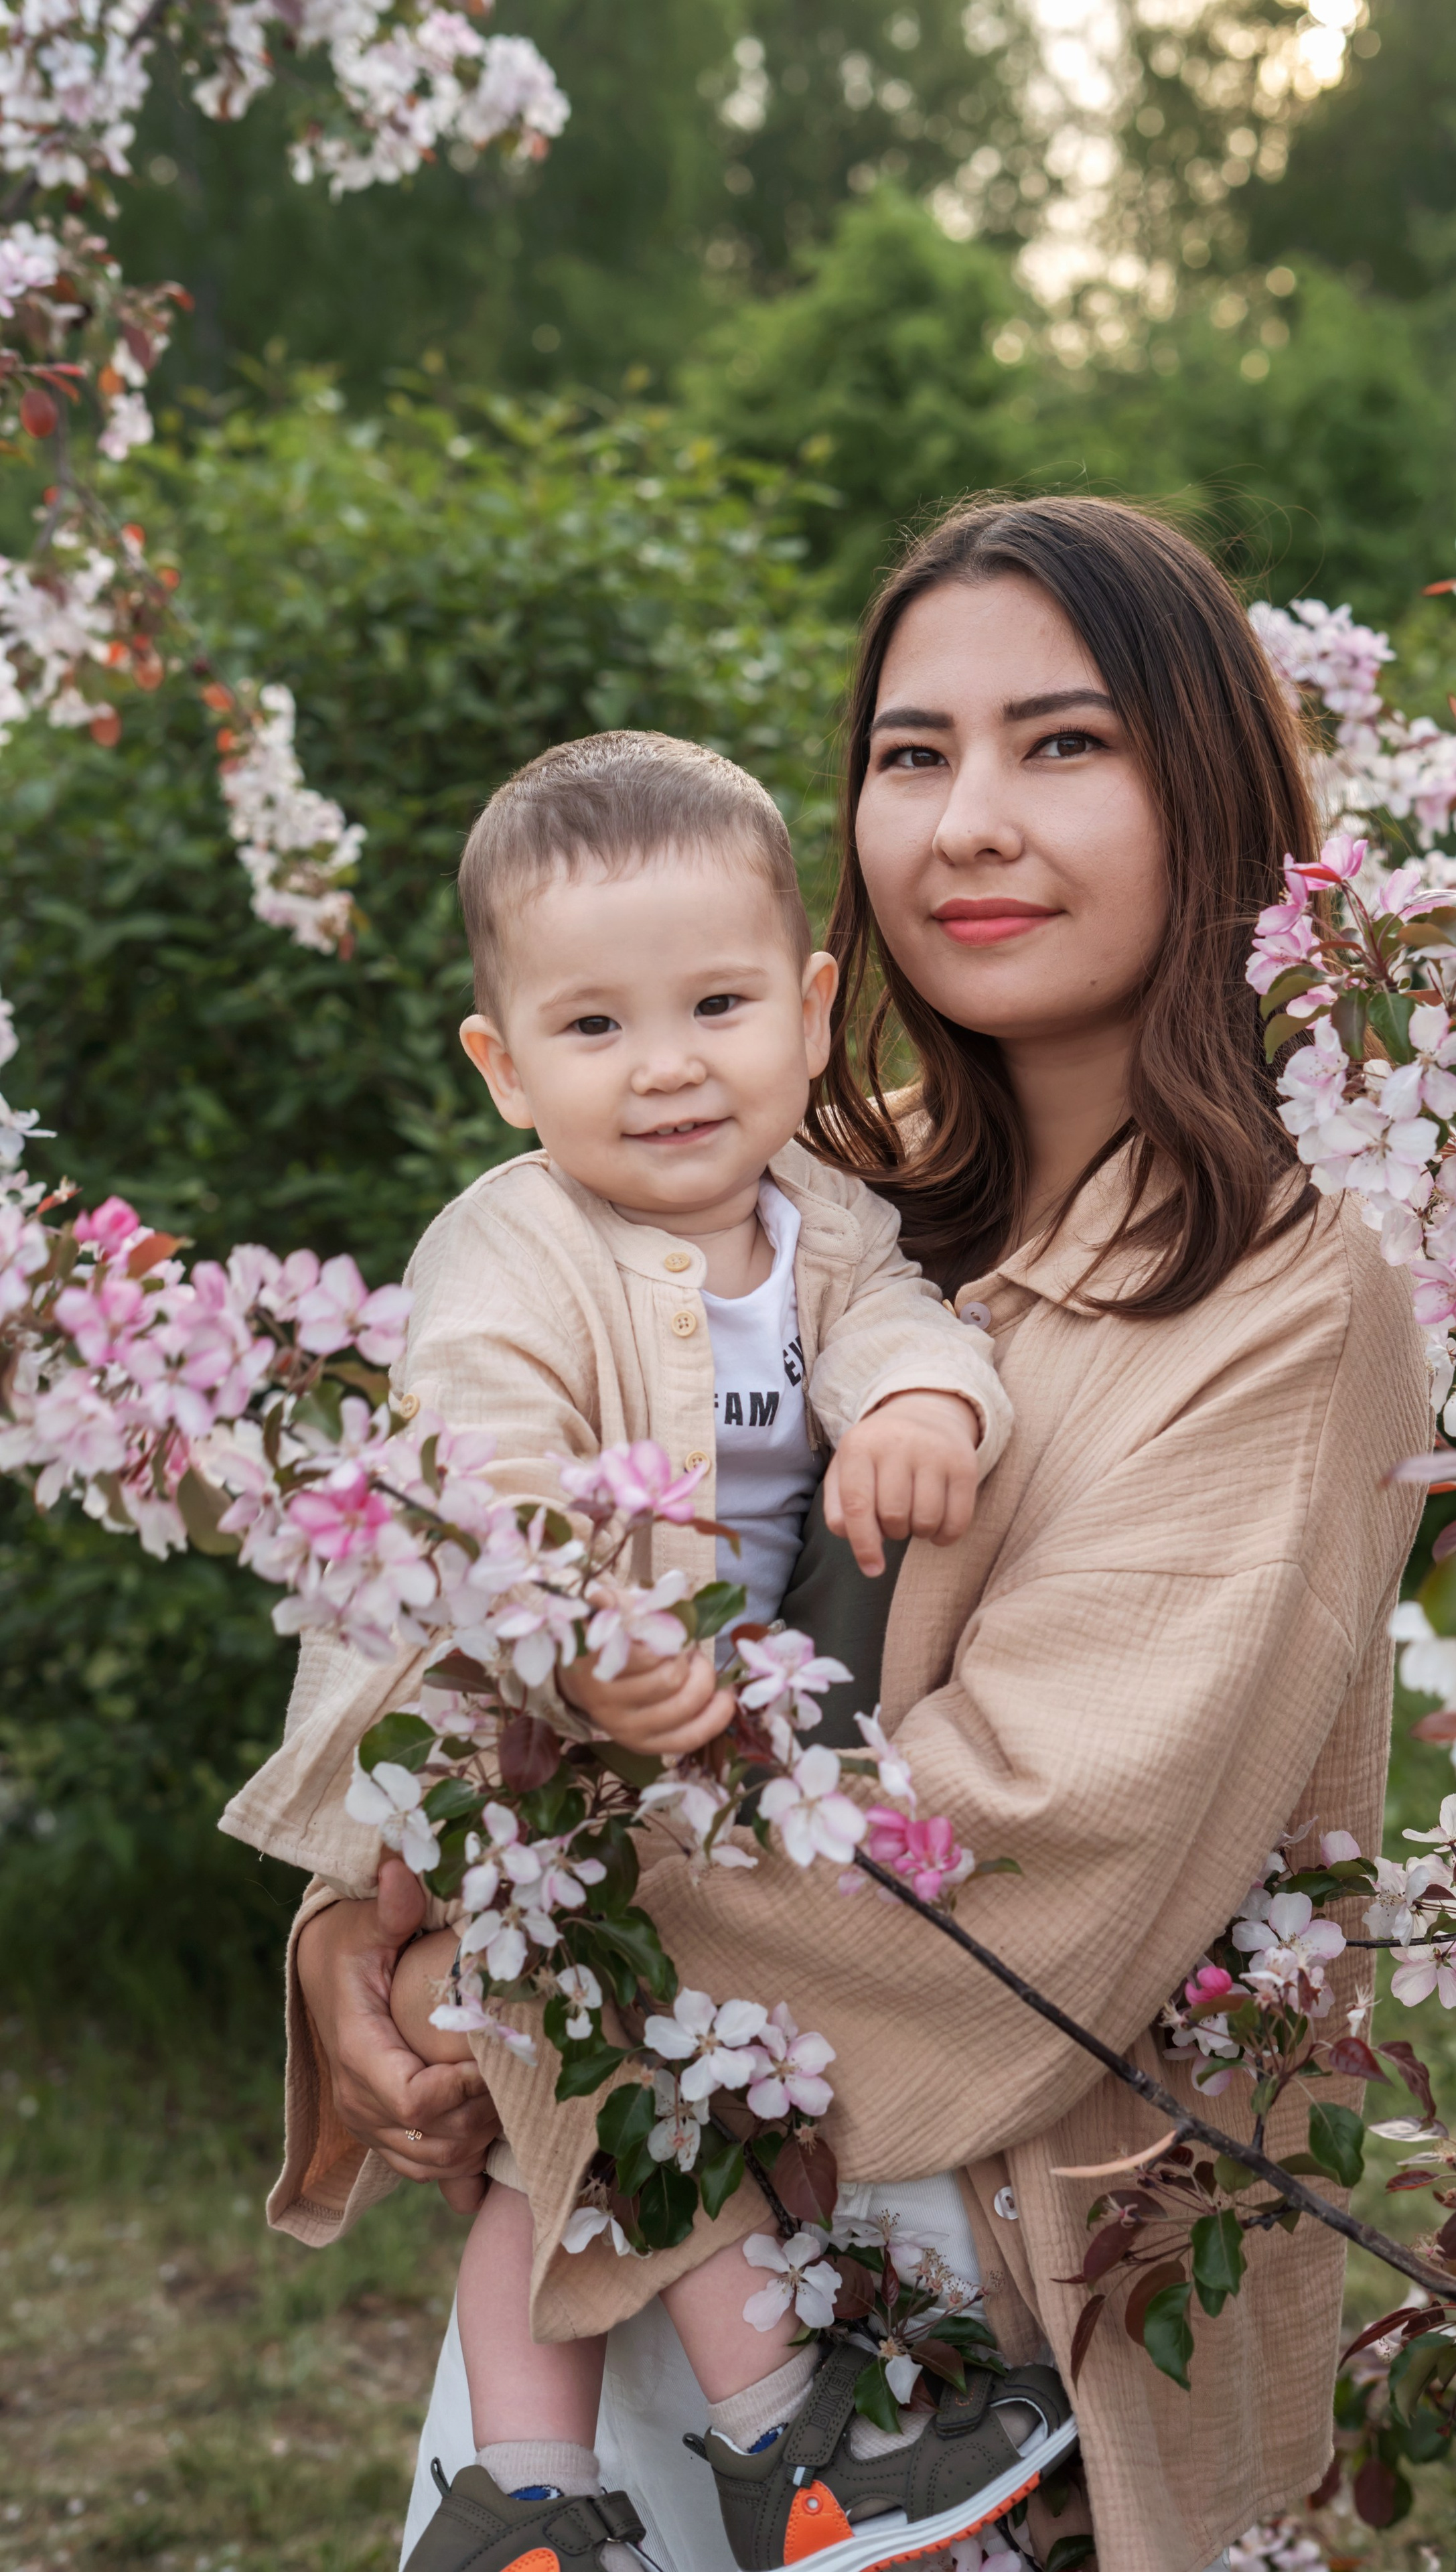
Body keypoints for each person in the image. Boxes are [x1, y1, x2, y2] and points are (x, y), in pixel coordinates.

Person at [249, 497, 1431, 2572]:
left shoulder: (1285, 1298)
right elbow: (485, 1553)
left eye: (1065, 745)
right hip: (642, 2226)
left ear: (1217, 795)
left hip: (979, 2303)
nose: (969, 820)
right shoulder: (799, 1202)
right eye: (912, 754)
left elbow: (1024, 1841)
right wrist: (361, 1922)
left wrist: (495, 1966)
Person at [222, 725, 1072, 2572]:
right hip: (524, 1744)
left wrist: (927, 1399)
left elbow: (896, 1320)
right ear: (503, 1066)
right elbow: (483, 1474)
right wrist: (584, 1643)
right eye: (594, 1028)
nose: (670, 1067)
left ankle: (520, 2507)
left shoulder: (824, 1221)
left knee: (566, 2117)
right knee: (646, 2080)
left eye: (716, 1004)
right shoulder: (507, 1250)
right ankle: (794, 2443)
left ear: (812, 1003)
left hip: (696, 1750)